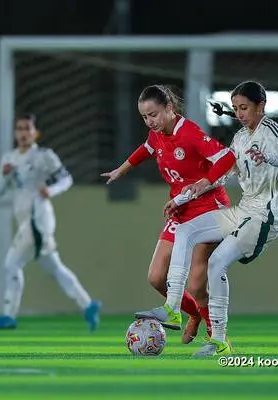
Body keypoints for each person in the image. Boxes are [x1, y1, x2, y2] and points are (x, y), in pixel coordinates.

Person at [136, 80, 278, 357]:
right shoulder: (239, 138)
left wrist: (269, 155)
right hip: (244, 210)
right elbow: (224, 173)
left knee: (216, 262)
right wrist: (189, 192)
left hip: (267, 215)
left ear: (261, 106)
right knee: (185, 231)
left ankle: (218, 339)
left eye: (245, 108)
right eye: (236, 108)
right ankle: (174, 310)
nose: (239, 114)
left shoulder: (271, 131)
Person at [101, 85, 236, 344]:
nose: (149, 121)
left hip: (208, 206)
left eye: (153, 114)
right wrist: (122, 169)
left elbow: (226, 157)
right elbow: (146, 149)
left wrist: (204, 181)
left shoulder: (190, 133)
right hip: (180, 208)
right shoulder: (157, 134)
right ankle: (192, 314)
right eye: (144, 116)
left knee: (196, 284)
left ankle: (217, 336)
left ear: (170, 109)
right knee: (156, 278)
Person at [0, 114, 101, 330]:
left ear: (35, 133)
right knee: (55, 268)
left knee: (11, 264)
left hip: (37, 220)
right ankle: (88, 304)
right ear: (15, 133)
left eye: (27, 128)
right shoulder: (9, 158)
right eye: (19, 128)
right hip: (25, 221)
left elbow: (66, 179)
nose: (23, 133)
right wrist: (3, 176)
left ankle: (8, 315)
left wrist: (50, 189)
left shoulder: (43, 156)